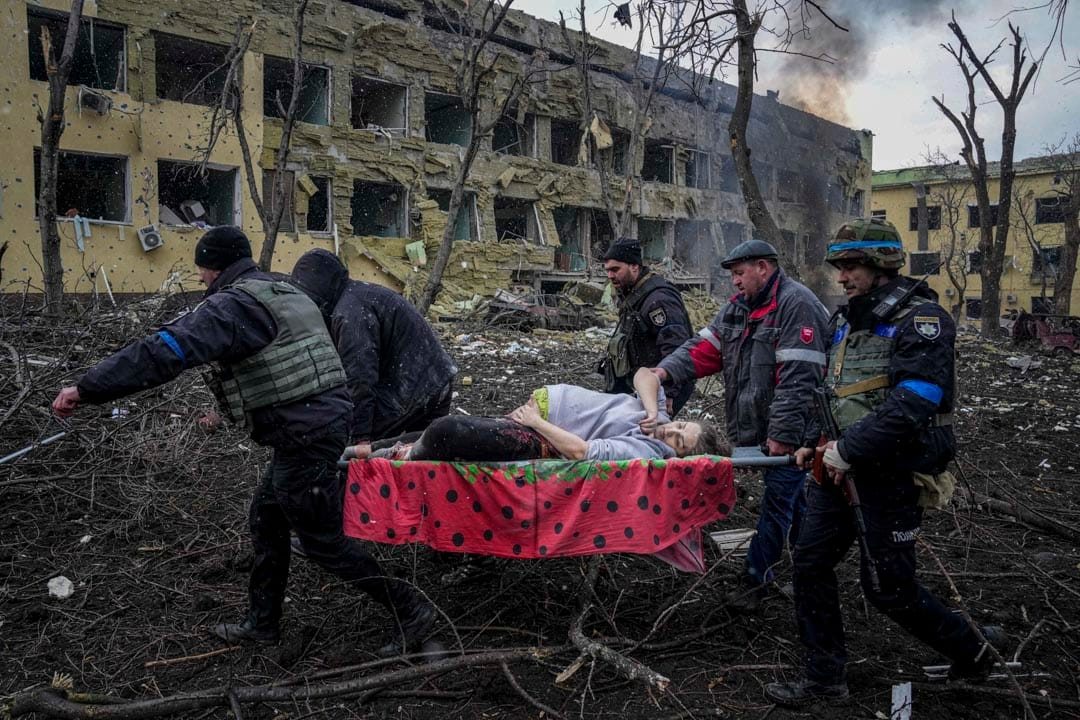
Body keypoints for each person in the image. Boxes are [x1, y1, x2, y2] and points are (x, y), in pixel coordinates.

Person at [51, 227, 434, 655]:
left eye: (201, 269)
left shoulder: (233, 307)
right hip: (317, 424)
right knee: (267, 518)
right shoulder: (280, 289)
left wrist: (88, 388)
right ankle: (262, 624)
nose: (200, 278)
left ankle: (411, 609)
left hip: (306, 432)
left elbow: (163, 352)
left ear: (213, 268)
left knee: (321, 540)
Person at [764, 218, 1006, 706]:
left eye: (851, 266)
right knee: (809, 563)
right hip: (836, 471)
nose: (842, 277)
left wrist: (849, 449)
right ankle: (824, 679)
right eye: (840, 267)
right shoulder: (845, 320)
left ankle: (974, 652)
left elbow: (916, 401)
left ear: (881, 265)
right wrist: (814, 442)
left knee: (888, 588)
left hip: (890, 473)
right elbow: (834, 392)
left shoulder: (922, 321)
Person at [653, 239, 829, 610]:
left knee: (777, 503)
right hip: (760, 428)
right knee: (793, 500)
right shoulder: (738, 309)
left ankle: (754, 580)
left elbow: (800, 378)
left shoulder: (796, 305)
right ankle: (810, 565)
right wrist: (664, 372)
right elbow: (703, 350)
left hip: (795, 431)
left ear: (763, 268)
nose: (734, 281)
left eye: (739, 273)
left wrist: (782, 435)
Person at [290, 249, 457, 459]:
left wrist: (360, 438)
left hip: (414, 386)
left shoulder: (349, 313)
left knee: (354, 451)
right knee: (419, 458)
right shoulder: (357, 296)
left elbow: (360, 377)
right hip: (435, 377)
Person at [396, 368, 723, 462]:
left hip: (539, 433)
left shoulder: (644, 450)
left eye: (678, 442)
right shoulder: (658, 418)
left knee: (447, 431)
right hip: (539, 411)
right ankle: (378, 449)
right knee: (444, 432)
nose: (670, 431)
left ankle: (391, 456)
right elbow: (645, 375)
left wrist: (535, 422)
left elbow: (582, 451)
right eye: (680, 425)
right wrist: (652, 409)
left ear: (678, 457)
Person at [600, 236, 695, 416]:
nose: (610, 276)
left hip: (660, 386)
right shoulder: (633, 294)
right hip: (644, 383)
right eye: (608, 270)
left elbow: (676, 347)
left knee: (650, 430)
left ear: (634, 266)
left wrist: (668, 392)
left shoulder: (658, 300)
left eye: (615, 269)